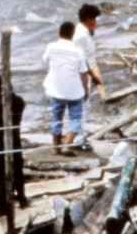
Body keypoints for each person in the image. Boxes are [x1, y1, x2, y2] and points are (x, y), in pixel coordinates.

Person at [42, 20, 101, 153]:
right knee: (76, 118)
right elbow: (84, 74)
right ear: (72, 34)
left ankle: (56, 147)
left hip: (56, 89)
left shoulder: (51, 47)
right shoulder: (78, 51)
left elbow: (45, 60)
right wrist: (86, 90)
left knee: (56, 118)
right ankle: (67, 144)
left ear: (59, 32)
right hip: (74, 91)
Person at [0, 74, 29, 211]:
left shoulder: (0, 103)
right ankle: (22, 197)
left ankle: (2, 204)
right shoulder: (20, 101)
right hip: (15, 138)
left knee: (0, 172)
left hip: (0, 140)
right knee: (18, 170)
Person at [72, 3, 103, 144]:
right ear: (88, 19)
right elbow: (81, 60)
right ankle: (78, 139)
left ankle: (80, 136)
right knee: (81, 107)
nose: (96, 22)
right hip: (81, 75)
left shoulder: (85, 33)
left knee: (83, 106)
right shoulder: (81, 36)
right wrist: (92, 76)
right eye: (94, 19)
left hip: (85, 73)